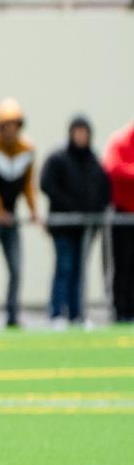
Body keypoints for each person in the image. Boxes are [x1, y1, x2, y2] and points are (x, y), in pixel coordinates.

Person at [41, 114, 112, 327]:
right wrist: (71, 206)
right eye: (77, 132)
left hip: (85, 228)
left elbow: (104, 191)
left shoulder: (93, 161)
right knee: (64, 267)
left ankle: (76, 314)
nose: (81, 136)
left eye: (84, 132)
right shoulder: (58, 158)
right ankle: (57, 313)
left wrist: (95, 213)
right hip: (63, 226)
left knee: (80, 271)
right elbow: (46, 184)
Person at [0, 98, 37, 329]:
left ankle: (12, 314)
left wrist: (33, 211)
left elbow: (27, 184)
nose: (10, 129)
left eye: (14, 124)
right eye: (6, 125)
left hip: (12, 216)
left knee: (16, 267)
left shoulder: (26, 149)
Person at [105, 118, 134, 322]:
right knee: (122, 263)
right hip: (123, 215)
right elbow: (113, 168)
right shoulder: (120, 141)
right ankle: (120, 310)